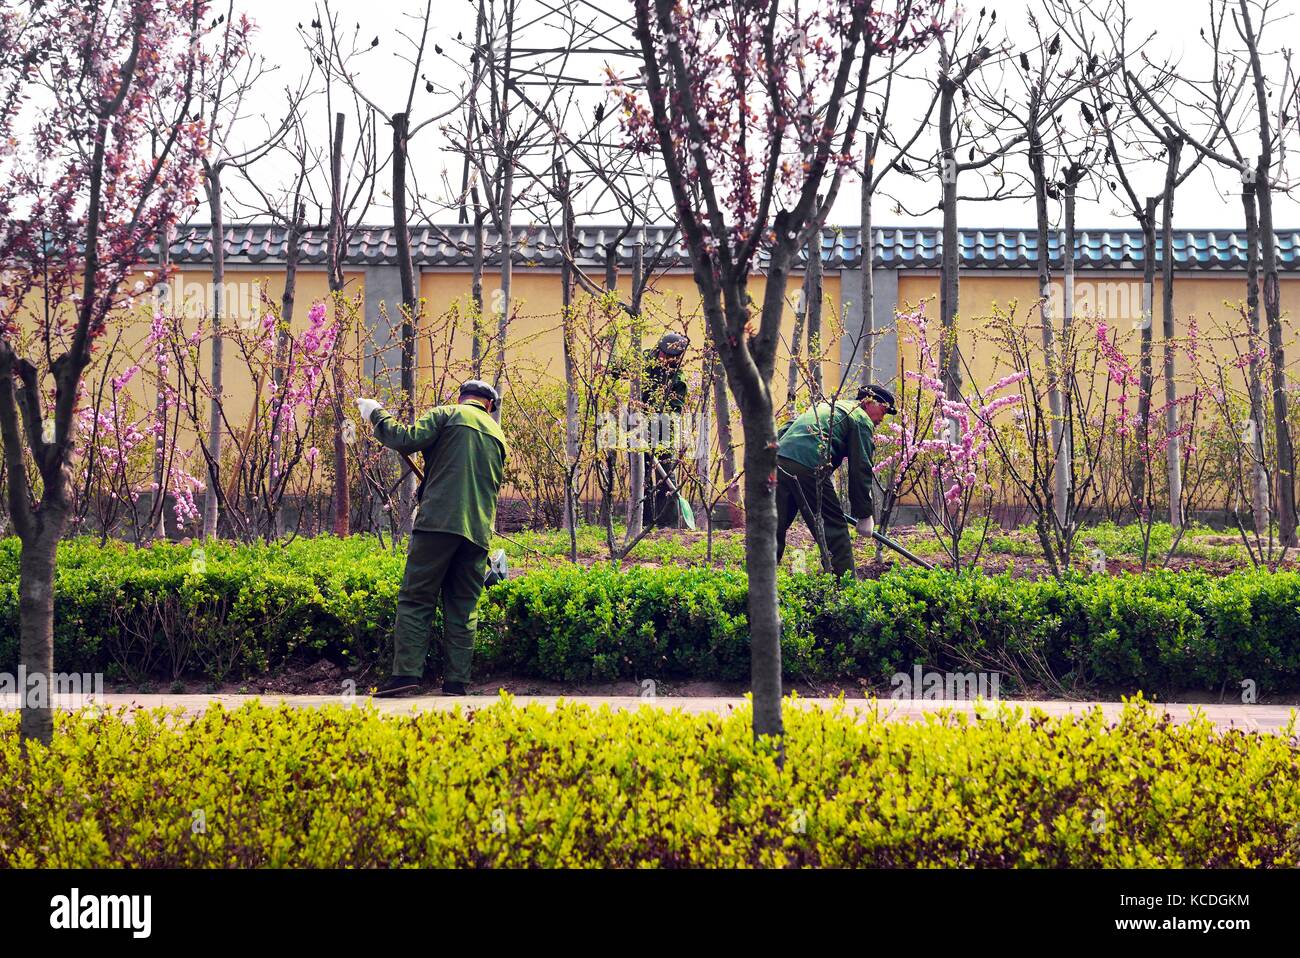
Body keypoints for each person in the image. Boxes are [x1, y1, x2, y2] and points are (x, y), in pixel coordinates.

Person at [356, 380, 508, 697]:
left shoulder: (447, 414)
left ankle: (406, 676)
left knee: (416, 598)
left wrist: (376, 414)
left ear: (463, 398)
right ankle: (456, 684)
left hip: (438, 523)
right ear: (489, 405)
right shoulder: (498, 436)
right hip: (477, 533)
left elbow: (404, 440)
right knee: (464, 607)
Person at [775, 384, 896, 578]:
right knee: (834, 527)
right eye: (883, 410)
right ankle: (845, 588)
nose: (882, 419)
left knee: (773, 523)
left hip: (779, 459)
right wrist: (864, 514)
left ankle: (754, 582)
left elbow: (789, 427)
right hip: (809, 463)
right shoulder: (860, 417)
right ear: (868, 402)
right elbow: (861, 468)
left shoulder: (830, 406)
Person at [641, 332, 689, 528]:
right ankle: (643, 520)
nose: (664, 359)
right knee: (642, 475)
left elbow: (674, 412)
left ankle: (667, 523)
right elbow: (625, 368)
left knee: (666, 474)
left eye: (669, 357)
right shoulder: (645, 360)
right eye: (662, 354)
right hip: (638, 426)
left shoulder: (678, 380)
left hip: (664, 430)